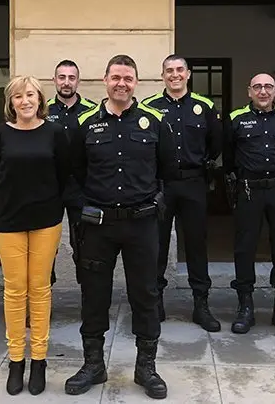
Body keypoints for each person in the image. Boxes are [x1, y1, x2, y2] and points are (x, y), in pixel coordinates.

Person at [65, 54, 179, 400]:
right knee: (94, 295)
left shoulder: (154, 121)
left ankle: (146, 368)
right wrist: (83, 208)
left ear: (136, 83)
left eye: (128, 78)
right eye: (116, 77)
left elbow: (169, 172)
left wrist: (157, 203)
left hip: (141, 225)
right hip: (98, 226)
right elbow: (72, 174)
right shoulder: (86, 123)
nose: (121, 84)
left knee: (145, 294)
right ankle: (93, 365)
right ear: (105, 80)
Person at [0, 75, 70, 395]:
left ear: (40, 100)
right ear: (11, 102)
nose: (25, 101)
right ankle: (16, 359)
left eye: (31, 95)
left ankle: (39, 360)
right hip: (8, 221)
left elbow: (64, 173)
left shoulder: (54, 132)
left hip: (46, 219)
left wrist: (51, 202)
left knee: (40, 288)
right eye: (19, 96)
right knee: (15, 289)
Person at [141, 55, 222, 332]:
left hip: (193, 183)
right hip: (161, 185)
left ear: (188, 74)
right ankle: (155, 303)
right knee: (156, 245)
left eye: (179, 70)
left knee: (197, 244)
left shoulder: (205, 106)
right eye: (169, 71)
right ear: (162, 75)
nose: (174, 75)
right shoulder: (150, 107)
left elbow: (216, 144)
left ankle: (201, 304)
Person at [224, 73, 275, 335]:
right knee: (244, 249)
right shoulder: (236, 120)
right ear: (249, 91)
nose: (263, 91)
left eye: (268, 86)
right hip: (249, 190)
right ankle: (245, 307)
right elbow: (228, 157)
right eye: (257, 87)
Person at [46, 59, 96, 284]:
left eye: (71, 78)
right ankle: (42, 302)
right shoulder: (42, 110)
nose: (66, 82)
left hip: (81, 188)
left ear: (78, 81)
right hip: (49, 188)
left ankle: (90, 303)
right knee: (46, 249)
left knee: (85, 246)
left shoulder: (92, 111)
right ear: (54, 80)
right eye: (62, 77)